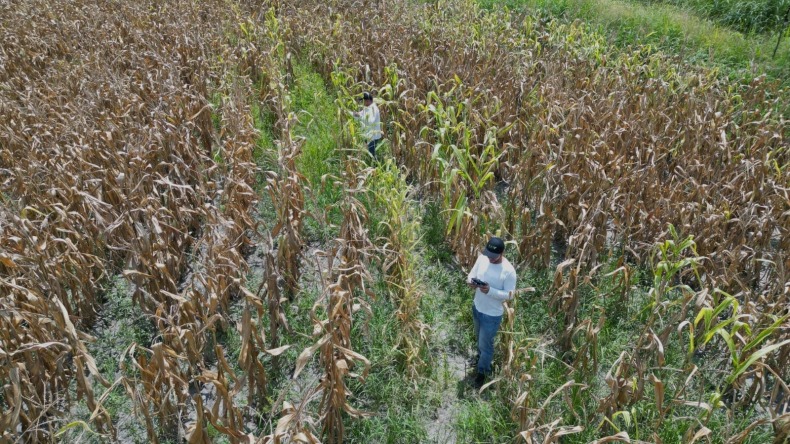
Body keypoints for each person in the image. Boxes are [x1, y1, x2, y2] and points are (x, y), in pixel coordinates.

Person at [467, 236, 517, 388]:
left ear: (501, 254)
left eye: (493, 257)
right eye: (488, 255)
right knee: (478, 338)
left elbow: (510, 295)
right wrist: (471, 282)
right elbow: (471, 274)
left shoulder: (508, 271)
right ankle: (480, 359)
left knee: (486, 344)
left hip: (492, 315)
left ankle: (482, 373)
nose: (490, 259)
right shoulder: (483, 259)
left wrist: (490, 290)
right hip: (477, 307)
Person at [351, 92, 382, 159]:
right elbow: (360, 114)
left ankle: (375, 167)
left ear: (368, 100)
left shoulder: (373, 109)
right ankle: (373, 166)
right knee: (369, 152)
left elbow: (370, 121)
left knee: (371, 154)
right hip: (368, 135)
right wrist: (351, 113)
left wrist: (359, 116)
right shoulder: (368, 108)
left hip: (373, 136)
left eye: (364, 101)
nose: (363, 103)